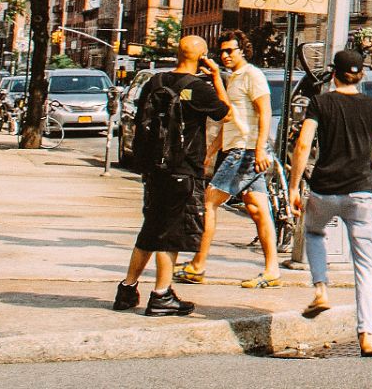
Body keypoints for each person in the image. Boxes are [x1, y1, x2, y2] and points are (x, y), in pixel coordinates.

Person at [114, 35, 230, 317]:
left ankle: (127, 289)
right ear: (202, 57)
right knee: (171, 234)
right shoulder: (199, 88)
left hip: (154, 168)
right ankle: (161, 294)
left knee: (151, 228)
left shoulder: (155, 82)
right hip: (183, 168)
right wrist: (216, 77)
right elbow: (225, 113)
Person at [288, 48, 372, 358]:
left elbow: (303, 144)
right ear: (361, 76)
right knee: (366, 266)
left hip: (324, 190)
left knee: (314, 232)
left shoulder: (321, 103)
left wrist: (293, 186)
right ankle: (366, 336)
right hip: (361, 192)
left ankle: (321, 288)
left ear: (333, 74)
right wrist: (364, 161)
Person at [179, 31, 278, 288]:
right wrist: (211, 151)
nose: (224, 56)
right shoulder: (233, 77)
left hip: (245, 150)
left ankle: (198, 265)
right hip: (240, 148)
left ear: (243, 50)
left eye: (230, 51)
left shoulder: (252, 75)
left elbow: (265, 112)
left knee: (209, 202)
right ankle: (272, 270)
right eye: (221, 51)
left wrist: (259, 149)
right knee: (257, 210)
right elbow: (231, 119)